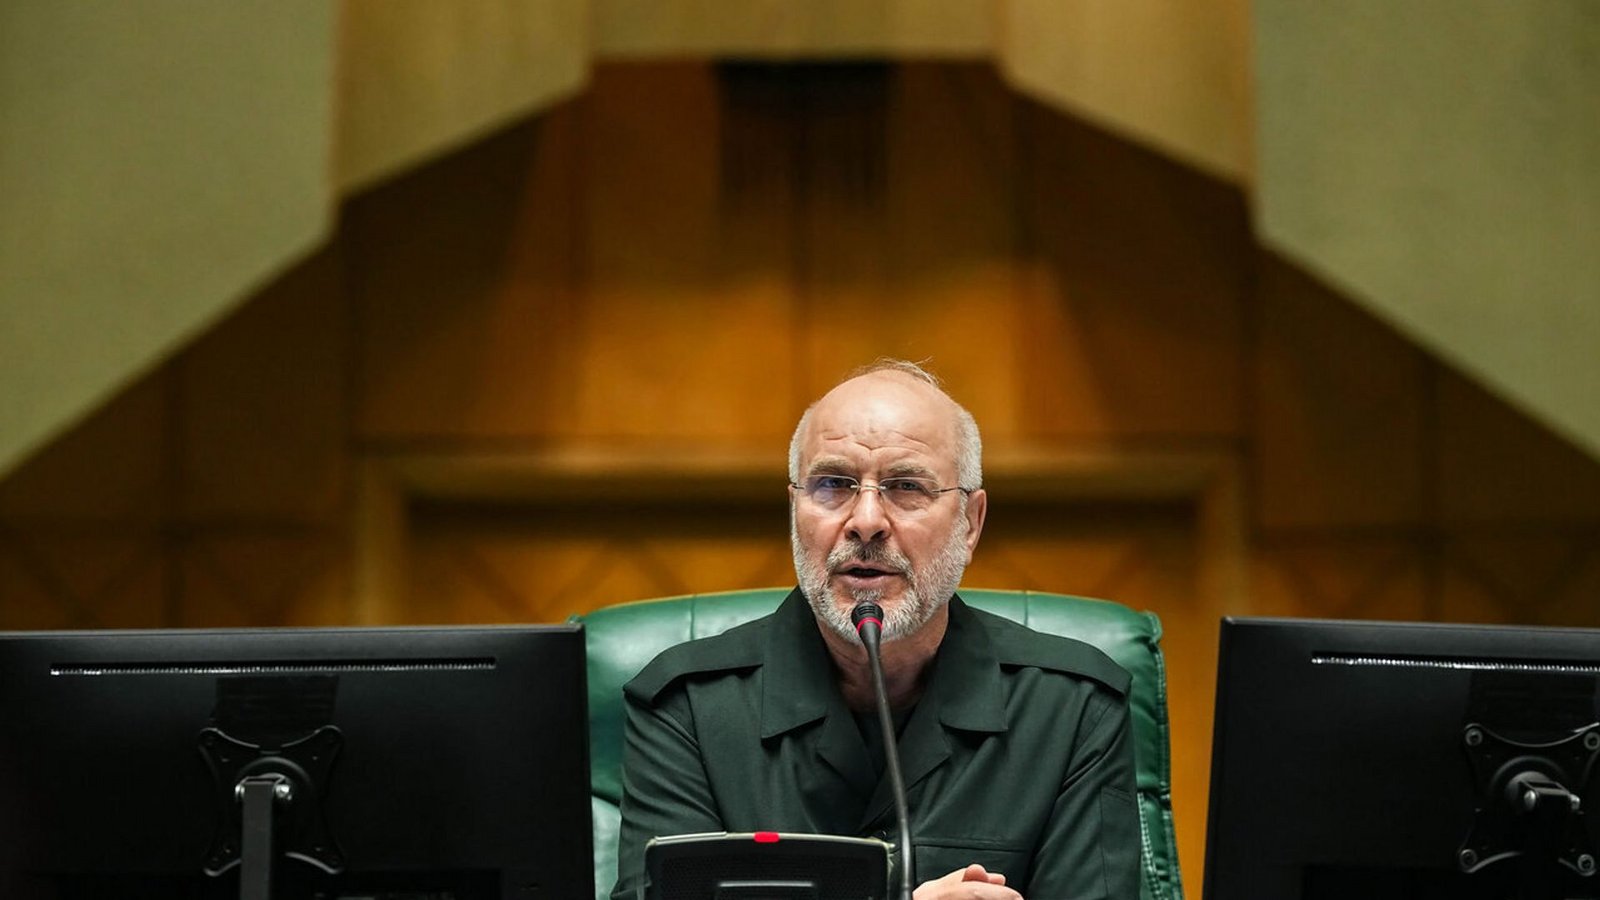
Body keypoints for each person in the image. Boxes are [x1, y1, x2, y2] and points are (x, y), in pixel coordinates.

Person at [611, 360, 1140, 900]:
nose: (866, 521)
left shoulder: (1072, 708)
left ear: (971, 522)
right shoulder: (688, 708)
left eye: (906, 486)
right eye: (833, 484)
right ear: (795, 510)